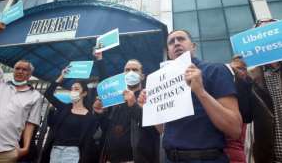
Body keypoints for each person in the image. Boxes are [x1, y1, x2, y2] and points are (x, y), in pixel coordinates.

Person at [138, 29, 242, 163]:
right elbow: (163, 130)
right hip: (169, 158)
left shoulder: (215, 71)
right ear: (168, 53)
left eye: (181, 39)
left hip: (206, 159)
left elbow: (234, 129)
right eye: (171, 42)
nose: (176, 43)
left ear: (193, 46)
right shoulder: (161, 81)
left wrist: (201, 92)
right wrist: (148, 107)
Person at [0, 22, 43, 163]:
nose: (20, 71)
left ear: (30, 74)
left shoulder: (35, 96)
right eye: (17, 68)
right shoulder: (0, 83)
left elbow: (30, 123)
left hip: (4, 152)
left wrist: (26, 147)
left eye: (24, 69)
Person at [93, 59, 160, 163]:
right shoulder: (116, 99)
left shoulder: (148, 96)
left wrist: (134, 106)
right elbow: (107, 129)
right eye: (127, 70)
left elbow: (155, 130)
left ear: (142, 76)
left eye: (135, 70)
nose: (130, 73)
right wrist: (100, 114)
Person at [43, 67, 98, 163]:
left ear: (84, 93)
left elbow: (88, 139)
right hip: (56, 150)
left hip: (73, 153)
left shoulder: (89, 116)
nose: (73, 91)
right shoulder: (64, 108)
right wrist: (61, 77)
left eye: (76, 89)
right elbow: (48, 94)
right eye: (72, 89)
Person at [248, 18, 282, 163]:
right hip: (270, 157)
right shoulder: (251, 77)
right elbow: (245, 116)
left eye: (271, 30)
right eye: (262, 33)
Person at [224, 56, 254, 163]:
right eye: (235, 69)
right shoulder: (246, 83)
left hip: (239, 122)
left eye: (240, 69)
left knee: (235, 147)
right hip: (236, 120)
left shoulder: (245, 84)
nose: (237, 71)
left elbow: (246, 113)